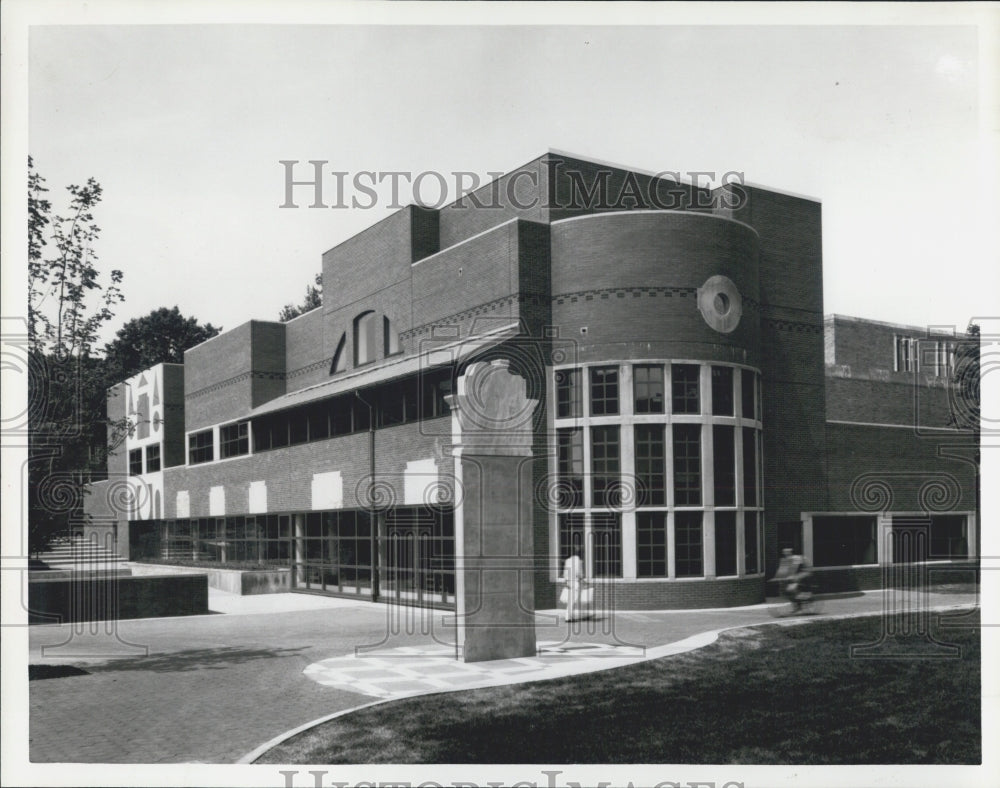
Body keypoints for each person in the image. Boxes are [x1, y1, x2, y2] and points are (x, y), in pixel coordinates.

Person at [775, 547, 813, 612]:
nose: (785, 554)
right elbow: (782, 569)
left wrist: (790, 576)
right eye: (784, 553)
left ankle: (804, 597)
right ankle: (797, 603)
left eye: (787, 553)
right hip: (798, 572)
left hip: (806, 571)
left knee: (792, 584)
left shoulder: (796, 558)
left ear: (790, 552)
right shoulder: (786, 559)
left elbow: (794, 568)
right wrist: (776, 577)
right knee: (787, 590)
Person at [561, 546, 586, 622]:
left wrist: (566, 581)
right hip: (575, 582)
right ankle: (568, 617)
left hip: (569, 581)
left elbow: (565, 572)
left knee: (571, 600)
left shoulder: (567, 560)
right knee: (572, 600)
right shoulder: (579, 561)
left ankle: (569, 616)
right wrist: (582, 579)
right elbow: (579, 573)